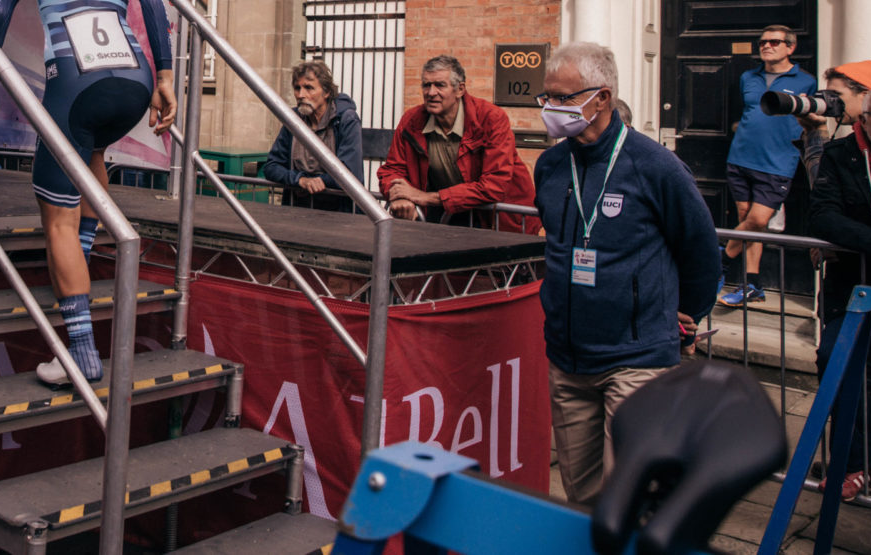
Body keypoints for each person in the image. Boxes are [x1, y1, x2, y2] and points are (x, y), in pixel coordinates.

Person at [0, 0, 176, 387]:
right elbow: (153, 5)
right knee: (92, 151)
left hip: (74, 82)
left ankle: (79, 353)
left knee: (54, 219)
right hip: (133, 79)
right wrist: (166, 80)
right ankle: (81, 255)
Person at [532, 42, 720, 505]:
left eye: (563, 98)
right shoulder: (551, 165)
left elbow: (699, 249)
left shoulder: (655, 166)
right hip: (568, 358)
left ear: (602, 98)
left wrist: (687, 314)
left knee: (631, 498)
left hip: (636, 357)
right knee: (583, 497)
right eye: (547, 98)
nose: (552, 109)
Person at [807, 84, 871, 502]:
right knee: (836, 362)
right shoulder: (840, 155)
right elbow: (821, 216)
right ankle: (853, 463)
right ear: (864, 119)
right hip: (850, 288)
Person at [378, 55, 535, 230]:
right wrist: (398, 195)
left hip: (495, 219)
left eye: (439, 85)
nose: (431, 93)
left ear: (460, 90)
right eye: (426, 85)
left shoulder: (490, 118)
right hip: (444, 216)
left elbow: (494, 185)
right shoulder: (412, 120)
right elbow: (392, 169)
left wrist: (425, 197)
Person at [719, 25, 817, 307]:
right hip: (740, 158)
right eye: (762, 42)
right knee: (748, 221)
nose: (766, 46)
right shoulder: (748, 77)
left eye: (774, 42)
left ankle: (721, 262)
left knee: (757, 221)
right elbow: (748, 112)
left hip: (777, 162)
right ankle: (753, 285)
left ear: (790, 47)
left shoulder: (806, 82)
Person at [262, 60, 364, 209]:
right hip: (297, 209)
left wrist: (320, 181)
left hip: (337, 212)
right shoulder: (293, 119)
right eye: (297, 88)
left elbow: (351, 173)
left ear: (326, 92)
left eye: (309, 88)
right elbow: (271, 166)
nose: (301, 95)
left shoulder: (345, 119)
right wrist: (300, 180)